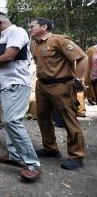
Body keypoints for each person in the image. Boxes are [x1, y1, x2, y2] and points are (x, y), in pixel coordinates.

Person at [0, 12, 41, 182]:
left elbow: (9, 57)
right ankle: (14, 155)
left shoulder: (17, 32)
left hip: (15, 84)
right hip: (3, 85)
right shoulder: (2, 39)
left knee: (12, 121)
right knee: (8, 121)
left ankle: (32, 164)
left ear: (0, 22)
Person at [29, 17, 87, 170]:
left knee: (69, 120)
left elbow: (82, 58)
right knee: (43, 118)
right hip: (41, 85)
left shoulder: (59, 40)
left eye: (33, 26)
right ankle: (50, 148)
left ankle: (76, 155)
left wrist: (78, 79)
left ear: (44, 26)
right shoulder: (34, 44)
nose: (30, 28)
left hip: (61, 85)